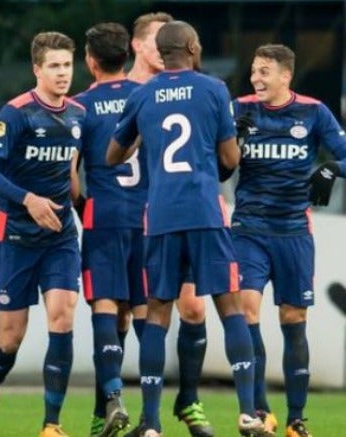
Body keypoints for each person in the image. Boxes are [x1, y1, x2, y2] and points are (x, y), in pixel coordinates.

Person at [107, 21, 269, 437]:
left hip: (160, 215)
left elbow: (112, 155)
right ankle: (249, 412)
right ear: (193, 47)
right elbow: (230, 159)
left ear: (161, 54)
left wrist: (141, 136)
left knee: (158, 312)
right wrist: (232, 143)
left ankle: (152, 422)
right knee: (229, 306)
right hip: (204, 211)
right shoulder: (213, 90)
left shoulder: (142, 94)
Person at [0, 31, 85, 437]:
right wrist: (28, 199)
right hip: (15, 236)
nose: (62, 73)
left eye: (67, 65)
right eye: (54, 65)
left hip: (60, 236)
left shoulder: (77, 115)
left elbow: (71, 171)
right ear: (37, 69)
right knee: (11, 337)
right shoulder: (16, 114)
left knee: (62, 317)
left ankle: (52, 425)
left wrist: (82, 207)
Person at [231, 43, 346, 437]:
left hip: (294, 231)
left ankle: (297, 420)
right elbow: (215, 164)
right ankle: (260, 411)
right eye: (253, 71)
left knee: (293, 319)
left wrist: (332, 168)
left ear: (285, 76)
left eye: (264, 71)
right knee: (246, 310)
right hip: (248, 229)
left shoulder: (314, 112)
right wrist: (231, 143)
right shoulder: (239, 109)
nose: (256, 79)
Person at [123, 12, 214, 437]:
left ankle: (188, 399)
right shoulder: (124, 94)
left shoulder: (194, 91)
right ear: (140, 47)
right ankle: (133, 410)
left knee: (192, 306)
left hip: (183, 211)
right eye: (158, 40)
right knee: (130, 312)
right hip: (132, 217)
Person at [69, 22, 140, 437]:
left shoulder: (80, 106)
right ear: (126, 57)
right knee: (138, 310)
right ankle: (141, 417)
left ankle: (112, 396)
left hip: (105, 215)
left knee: (105, 306)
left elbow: (70, 177)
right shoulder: (147, 96)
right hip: (148, 217)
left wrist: (82, 207)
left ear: (90, 61)